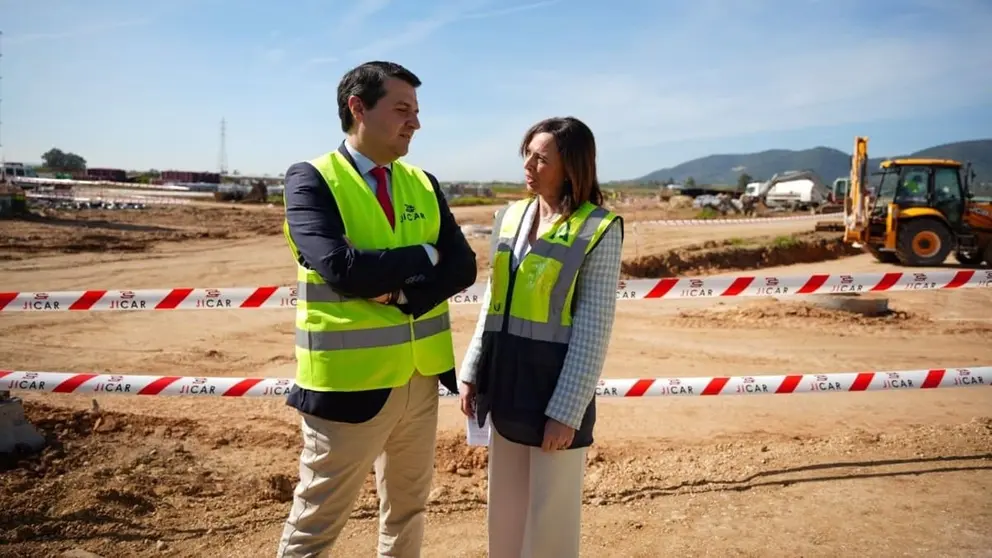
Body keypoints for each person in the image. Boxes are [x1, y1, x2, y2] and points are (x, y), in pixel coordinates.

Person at [276, 60, 478, 558]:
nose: (415, 122)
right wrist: (425, 256)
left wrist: (402, 292)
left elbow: (463, 268)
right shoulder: (311, 179)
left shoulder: (423, 183)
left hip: (420, 379)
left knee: (409, 510)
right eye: (402, 109)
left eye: (417, 111)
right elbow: (342, 268)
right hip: (347, 387)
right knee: (317, 522)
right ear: (358, 108)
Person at [457, 116, 623, 557]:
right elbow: (494, 299)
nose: (528, 165)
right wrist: (473, 370)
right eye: (526, 154)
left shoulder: (598, 229)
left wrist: (566, 412)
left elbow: (593, 325)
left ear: (571, 167)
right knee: (505, 511)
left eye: (541, 158)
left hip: (553, 388)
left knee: (550, 518)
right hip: (506, 382)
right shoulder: (510, 217)